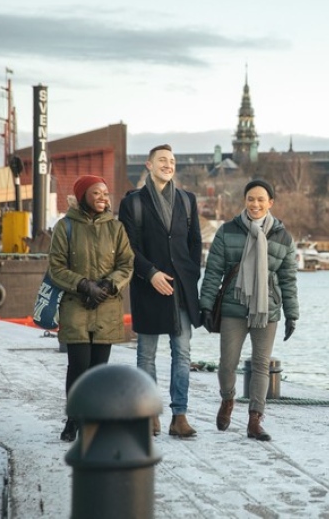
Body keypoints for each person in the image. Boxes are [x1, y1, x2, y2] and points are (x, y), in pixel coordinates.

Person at [199, 179, 299, 441]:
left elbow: (288, 279)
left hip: (268, 309)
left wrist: (292, 314)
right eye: (251, 199)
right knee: (227, 364)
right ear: (245, 201)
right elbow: (213, 273)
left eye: (260, 200)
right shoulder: (227, 231)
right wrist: (206, 304)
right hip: (233, 306)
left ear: (270, 203)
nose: (255, 204)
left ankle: (255, 419)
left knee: (261, 365)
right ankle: (228, 399)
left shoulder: (282, 236)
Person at [118, 144, 202, 438]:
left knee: (182, 354)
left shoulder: (187, 201)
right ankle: (149, 413)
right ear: (149, 165)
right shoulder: (133, 204)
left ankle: (180, 416)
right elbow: (127, 248)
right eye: (162, 160)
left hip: (180, 289)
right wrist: (150, 273)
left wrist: (190, 274)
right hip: (148, 287)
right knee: (146, 354)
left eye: (172, 161)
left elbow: (194, 243)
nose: (169, 164)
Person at [49, 175, 134, 442]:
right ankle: (74, 418)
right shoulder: (65, 227)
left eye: (106, 193)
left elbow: (126, 264)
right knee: (78, 364)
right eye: (96, 193)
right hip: (76, 305)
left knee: (99, 367)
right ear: (83, 195)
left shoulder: (116, 228)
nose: (103, 198)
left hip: (107, 307)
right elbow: (56, 267)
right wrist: (85, 286)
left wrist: (108, 286)